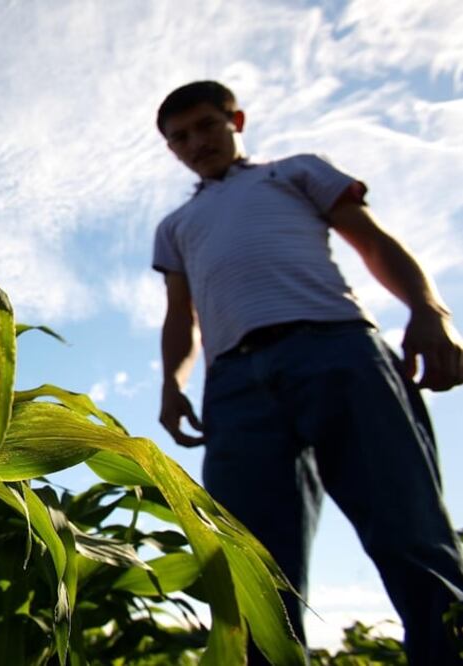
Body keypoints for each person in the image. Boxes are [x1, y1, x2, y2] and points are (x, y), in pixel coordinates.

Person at [152, 80, 463, 663]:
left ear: (235, 121)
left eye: (206, 126)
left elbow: (372, 242)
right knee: (252, 572)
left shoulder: (294, 172)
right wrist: (172, 385)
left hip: (337, 350)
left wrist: (428, 308)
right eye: (180, 137)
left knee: (411, 534)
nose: (196, 142)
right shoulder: (176, 226)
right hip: (236, 387)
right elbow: (180, 314)